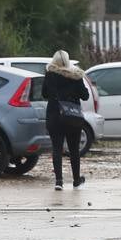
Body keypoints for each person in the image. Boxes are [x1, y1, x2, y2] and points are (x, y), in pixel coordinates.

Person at [44, 50, 90, 190]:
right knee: (74, 149)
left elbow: (44, 94)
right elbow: (85, 96)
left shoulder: (50, 75)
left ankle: (59, 182)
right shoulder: (76, 76)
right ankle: (76, 180)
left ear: (54, 61)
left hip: (54, 115)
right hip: (72, 117)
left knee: (57, 148)